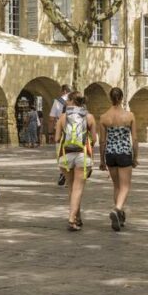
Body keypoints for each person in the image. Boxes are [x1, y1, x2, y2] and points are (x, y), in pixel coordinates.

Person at [56, 91, 97, 232]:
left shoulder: (62, 117)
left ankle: (76, 217)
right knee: (78, 189)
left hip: (66, 156)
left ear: (72, 100)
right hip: (83, 154)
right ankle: (72, 218)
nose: (66, 102)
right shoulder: (89, 117)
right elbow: (94, 139)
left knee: (71, 188)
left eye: (67, 100)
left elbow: (56, 139)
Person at [99, 87, 137, 232]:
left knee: (116, 186)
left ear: (110, 98)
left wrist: (102, 160)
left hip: (110, 153)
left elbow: (102, 141)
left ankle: (120, 216)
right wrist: (136, 156)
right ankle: (117, 209)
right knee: (125, 186)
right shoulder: (129, 116)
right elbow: (134, 138)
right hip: (124, 152)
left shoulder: (104, 117)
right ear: (122, 98)